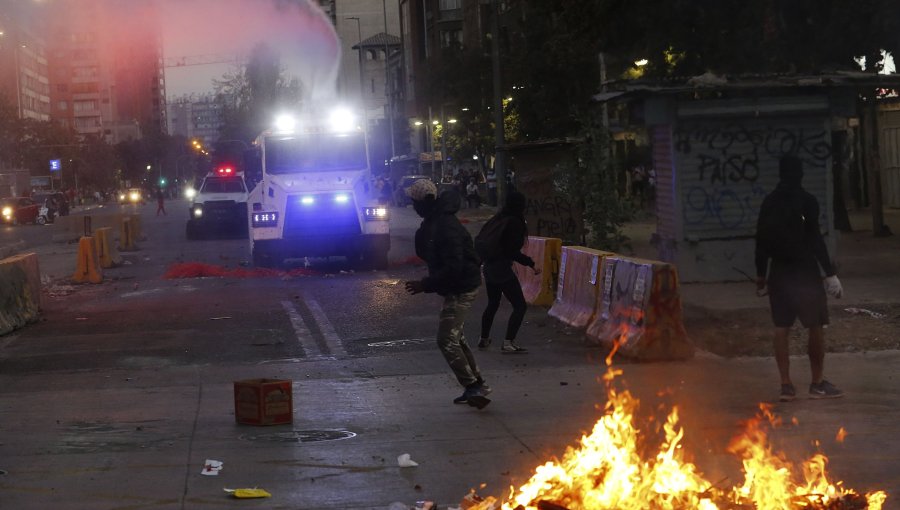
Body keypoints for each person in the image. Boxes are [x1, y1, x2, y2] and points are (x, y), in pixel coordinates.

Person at [755, 155, 844, 402]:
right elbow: (815, 239)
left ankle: (786, 385)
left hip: (779, 273)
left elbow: (761, 241)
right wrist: (830, 273)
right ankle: (817, 383)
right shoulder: (807, 201)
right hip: (805, 274)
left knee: (781, 328)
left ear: (780, 174)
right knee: (815, 326)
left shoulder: (769, 202)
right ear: (801, 174)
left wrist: (761, 274)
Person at [403, 178, 491, 409]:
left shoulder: (445, 225)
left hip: (462, 286)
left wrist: (426, 284)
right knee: (455, 336)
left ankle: (473, 386)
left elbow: (454, 266)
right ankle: (477, 384)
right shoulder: (435, 221)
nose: (413, 206)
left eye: (414, 202)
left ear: (422, 202)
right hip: (457, 284)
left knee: (446, 339)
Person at [478, 191, 541, 354]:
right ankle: (508, 342)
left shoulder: (498, 218)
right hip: (501, 270)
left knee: (493, 303)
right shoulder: (514, 223)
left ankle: (484, 339)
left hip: (489, 267)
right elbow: (511, 251)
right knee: (520, 305)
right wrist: (530, 263)